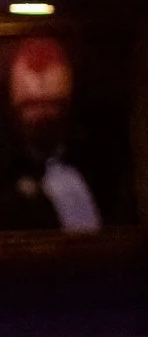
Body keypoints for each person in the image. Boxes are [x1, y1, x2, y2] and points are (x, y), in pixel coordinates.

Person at [5, 34, 102, 233]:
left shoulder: (101, 170)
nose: (42, 115)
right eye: (30, 106)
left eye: (53, 105)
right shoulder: (5, 180)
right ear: (12, 109)